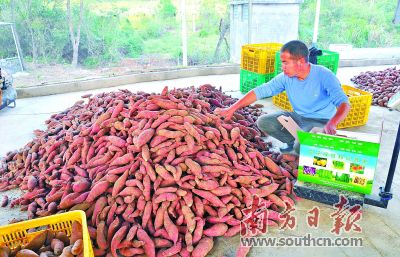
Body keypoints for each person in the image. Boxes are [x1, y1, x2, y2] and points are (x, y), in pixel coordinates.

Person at [215, 40, 350, 153]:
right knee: (264, 122)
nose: (282, 67)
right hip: (298, 117)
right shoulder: (286, 78)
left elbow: (344, 103)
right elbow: (260, 91)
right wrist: (232, 109)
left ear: (300, 61)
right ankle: (295, 142)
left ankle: (300, 145)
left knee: (300, 148)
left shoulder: (324, 75)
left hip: (320, 121)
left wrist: (332, 123)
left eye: (285, 62)